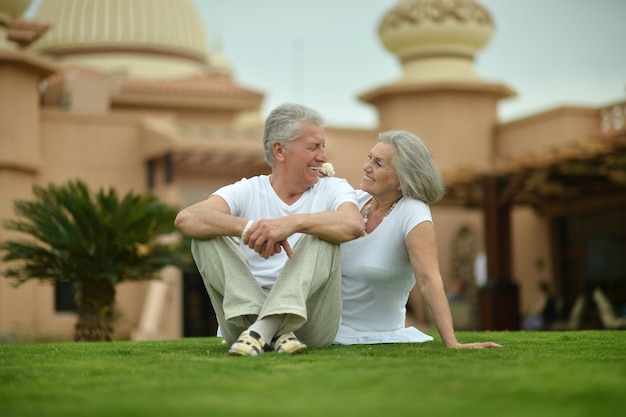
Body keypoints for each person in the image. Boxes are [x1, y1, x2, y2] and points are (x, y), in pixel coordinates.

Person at [175, 103, 363, 356]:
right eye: (313, 147)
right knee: (205, 234)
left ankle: (262, 329)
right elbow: (187, 218)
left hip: (310, 324)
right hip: (242, 321)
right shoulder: (248, 189)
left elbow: (353, 224)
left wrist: (293, 223)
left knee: (324, 232)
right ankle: (270, 330)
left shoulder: (333, 188)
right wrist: (250, 227)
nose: (323, 157)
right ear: (280, 150)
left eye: (323, 146)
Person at [334, 130, 501, 349]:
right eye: (369, 157)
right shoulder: (354, 200)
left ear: (401, 182)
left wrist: (452, 343)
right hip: (329, 327)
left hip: (376, 334)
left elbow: (428, 279)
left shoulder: (412, 211)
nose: (367, 166)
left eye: (379, 163)